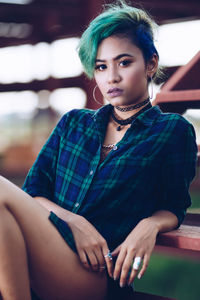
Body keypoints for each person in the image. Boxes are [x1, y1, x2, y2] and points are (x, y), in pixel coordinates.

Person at [0, 1, 198, 299]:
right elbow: (35, 192)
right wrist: (73, 221)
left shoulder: (171, 131)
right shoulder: (73, 124)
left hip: (92, 274)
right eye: (101, 66)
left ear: (151, 64)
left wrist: (149, 224)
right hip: (40, 254)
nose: (111, 77)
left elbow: (174, 205)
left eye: (124, 62)